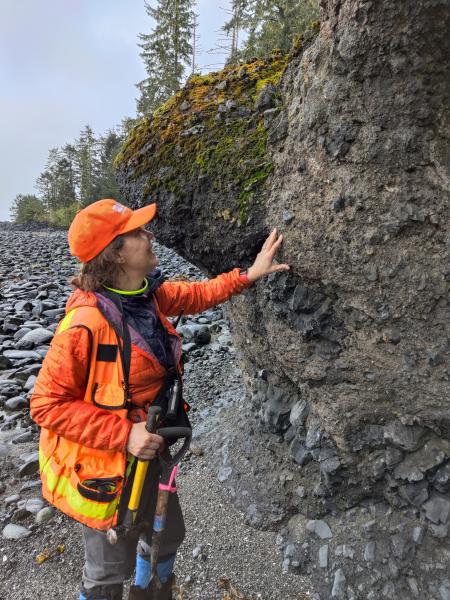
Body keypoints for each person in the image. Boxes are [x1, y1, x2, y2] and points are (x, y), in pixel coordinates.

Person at [30, 198, 289, 600]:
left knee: (167, 537)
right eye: (136, 233)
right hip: (105, 472)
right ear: (114, 254)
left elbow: (197, 295)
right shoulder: (85, 324)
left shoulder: (146, 296)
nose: (149, 236)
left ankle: (150, 591)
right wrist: (124, 434)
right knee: (105, 573)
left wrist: (248, 275)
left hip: (153, 453)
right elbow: (46, 405)